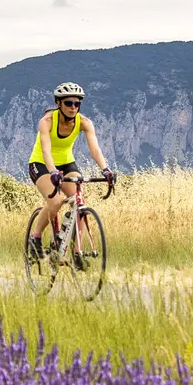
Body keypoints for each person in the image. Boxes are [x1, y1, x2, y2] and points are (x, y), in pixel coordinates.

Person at [28, 82, 113, 258]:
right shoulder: (47, 121)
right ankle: (35, 237)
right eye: (68, 103)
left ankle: (77, 253)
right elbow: (45, 150)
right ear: (59, 103)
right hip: (42, 163)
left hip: (67, 163)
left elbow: (95, 149)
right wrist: (52, 172)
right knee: (57, 200)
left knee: (79, 201)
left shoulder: (85, 122)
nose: (73, 107)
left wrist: (106, 170)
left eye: (77, 103)